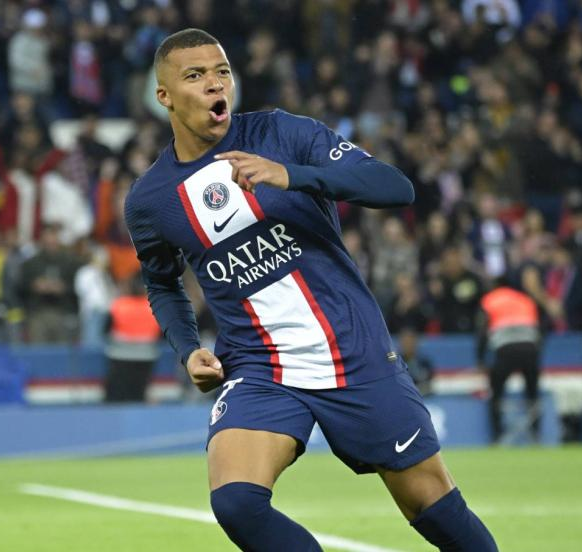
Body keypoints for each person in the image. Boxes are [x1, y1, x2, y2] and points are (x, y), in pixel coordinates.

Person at [125, 29, 497, 551]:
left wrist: (293, 175)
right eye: (195, 75)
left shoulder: (283, 133)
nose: (215, 84)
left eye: (222, 71)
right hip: (259, 365)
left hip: (352, 351)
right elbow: (161, 283)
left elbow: (395, 187)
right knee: (236, 503)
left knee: (432, 509)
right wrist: (188, 350)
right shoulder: (150, 200)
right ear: (164, 95)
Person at [476, 277, 542, 443]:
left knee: (496, 391)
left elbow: (482, 332)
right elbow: (539, 328)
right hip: (530, 347)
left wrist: (480, 359)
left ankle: (497, 434)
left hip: (506, 349)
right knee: (532, 391)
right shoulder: (525, 299)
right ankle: (536, 432)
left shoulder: (490, 300)